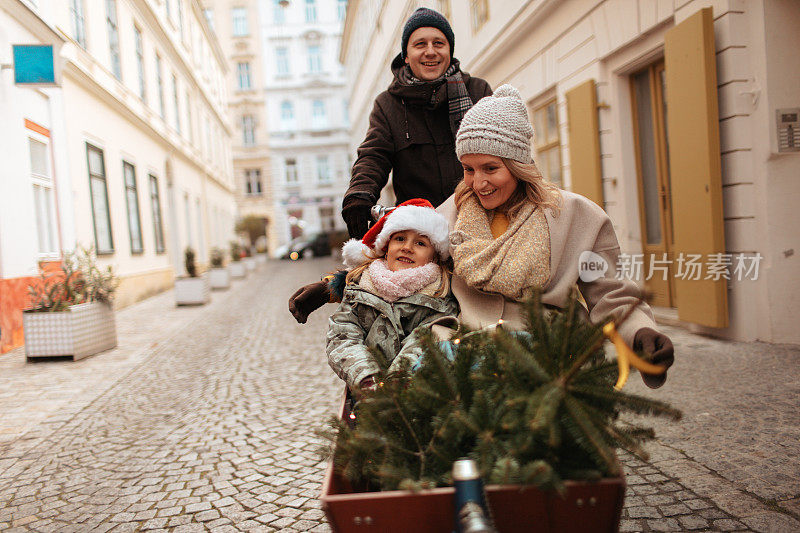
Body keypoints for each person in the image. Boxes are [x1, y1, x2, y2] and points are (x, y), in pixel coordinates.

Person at [439, 84, 673, 387]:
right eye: (468, 169)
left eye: (490, 168)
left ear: (518, 165)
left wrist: (641, 333)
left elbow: (608, 292)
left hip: (551, 357)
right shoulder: (448, 215)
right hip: (463, 354)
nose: (478, 182)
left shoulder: (577, 216)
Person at [341, 7, 492, 240]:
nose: (430, 52)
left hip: (480, 221)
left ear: (449, 50)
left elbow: (507, 148)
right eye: (420, 44)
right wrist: (359, 194)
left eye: (439, 43)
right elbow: (373, 155)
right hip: (421, 232)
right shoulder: (388, 104)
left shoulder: (477, 91)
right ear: (406, 54)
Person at [326, 199, 458, 393]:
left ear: (435, 256)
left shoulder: (439, 298)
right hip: (365, 392)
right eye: (400, 239)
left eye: (420, 243)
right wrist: (367, 379)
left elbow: (427, 341)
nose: (407, 247)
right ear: (386, 247)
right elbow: (342, 336)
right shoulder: (360, 288)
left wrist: (397, 383)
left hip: (415, 394)